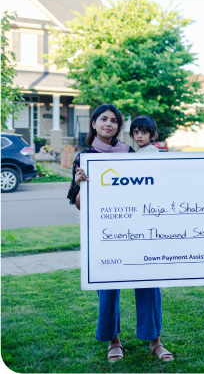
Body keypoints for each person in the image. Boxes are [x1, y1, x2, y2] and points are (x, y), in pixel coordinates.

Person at [67, 104, 174, 362]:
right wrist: (82, 184)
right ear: (93, 123)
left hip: (137, 231)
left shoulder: (129, 152)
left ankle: (155, 341)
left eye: (114, 121)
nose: (109, 124)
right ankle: (113, 341)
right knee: (108, 287)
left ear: (119, 126)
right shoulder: (84, 158)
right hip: (105, 235)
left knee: (148, 283)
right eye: (103, 119)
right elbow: (80, 204)